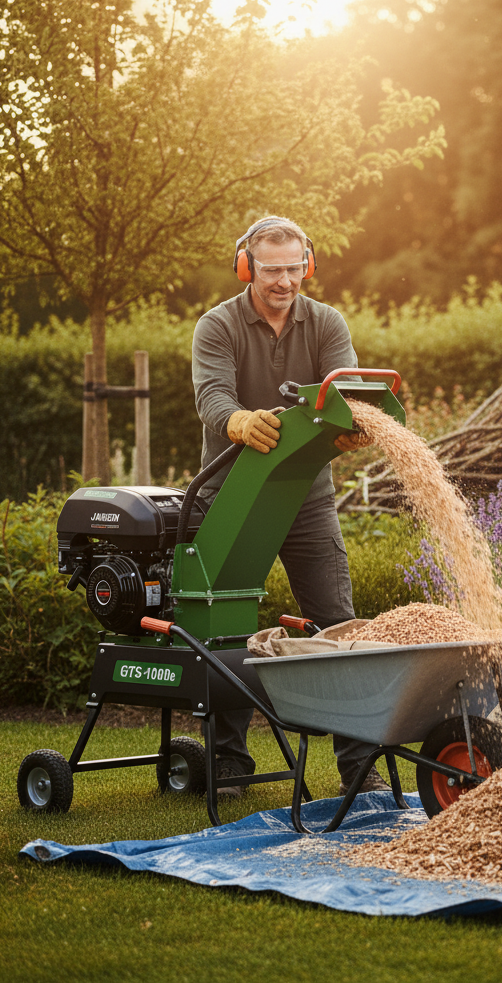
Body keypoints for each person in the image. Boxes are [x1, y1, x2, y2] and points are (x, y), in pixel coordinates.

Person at [191, 214, 390, 798]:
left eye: (294, 267)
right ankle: (228, 760)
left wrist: (353, 424)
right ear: (247, 266)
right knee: (223, 628)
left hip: (306, 498)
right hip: (230, 497)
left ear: (309, 263)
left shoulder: (326, 322)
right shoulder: (217, 325)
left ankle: (358, 767)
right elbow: (211, 396)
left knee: (339, 626)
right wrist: (237, 420)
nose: (284, 280)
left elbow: (343, 393)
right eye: (271, 269)